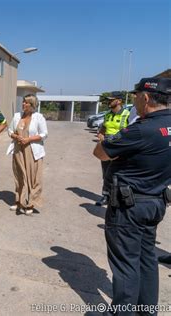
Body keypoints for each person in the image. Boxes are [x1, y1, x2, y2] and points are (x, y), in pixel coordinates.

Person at [93, 77, 171, 312]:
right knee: (147, 259)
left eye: (136, 96)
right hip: (155, 202)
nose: (134, 100)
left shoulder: (140, 129)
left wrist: (111, 147)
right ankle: (147, 310)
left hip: (130, 206)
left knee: (125, 264)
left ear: (145, 98)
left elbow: (100, 152)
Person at [7, 94, 48, 215]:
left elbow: (44, 134)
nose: (23, 104)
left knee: (34, 178)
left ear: (32, 105)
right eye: (23, 102)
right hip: (19, 149)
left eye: (26, 103)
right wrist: (15, 136)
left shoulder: (39, 117)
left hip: (32, 150)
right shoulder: (17, 116)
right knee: (19, 176)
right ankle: (19, 201)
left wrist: (28, 139)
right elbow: (10, 131)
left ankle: (31, 203)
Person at [95, 91, 130, 206]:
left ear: (119, 101)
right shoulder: (108, 114)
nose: (109, 102)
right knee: (106, 173)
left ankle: (119, 197)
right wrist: (100, 134)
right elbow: (103, 128)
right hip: (107, 147)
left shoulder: (127, 114)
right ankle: (105, 195)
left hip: (120, 148)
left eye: (111, 100)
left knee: (118, 173)